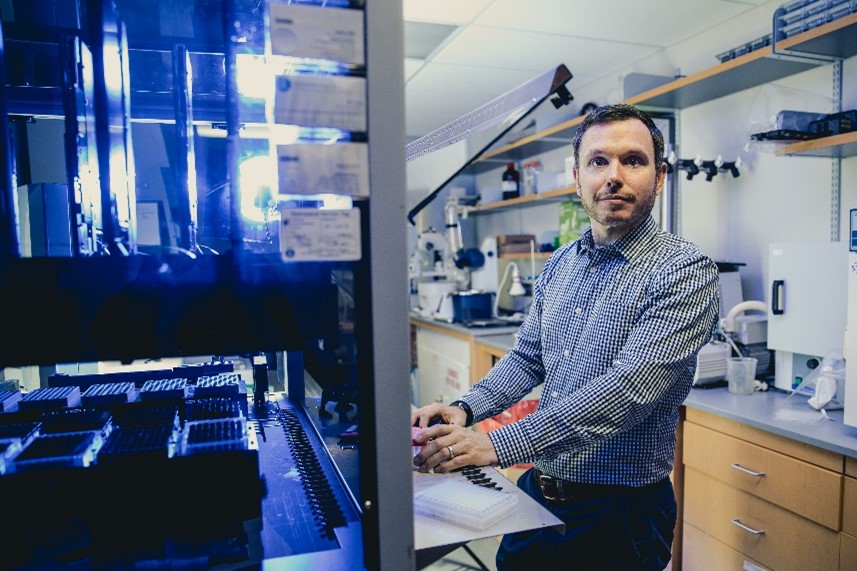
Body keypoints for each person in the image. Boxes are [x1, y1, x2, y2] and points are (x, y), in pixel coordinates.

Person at [411, 103, 720, 570]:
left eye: (632, 160)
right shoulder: (561, 263)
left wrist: (496, 445)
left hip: (620, 514)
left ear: (658, 178)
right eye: (598, 161)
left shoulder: (683, 271)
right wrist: (464, 408)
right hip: (541, 489)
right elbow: (527, 359)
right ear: (578, 178)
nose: (613, 175)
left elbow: (626, 392)